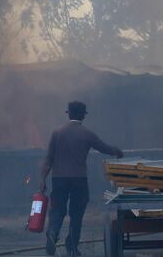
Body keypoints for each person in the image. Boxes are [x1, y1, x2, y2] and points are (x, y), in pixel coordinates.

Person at [39, 101, 123, 256]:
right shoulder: (87, 134)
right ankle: (72, 246)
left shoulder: (57, 133)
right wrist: (117, 151)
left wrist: (43, 180)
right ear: (83, 115)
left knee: (57, 210)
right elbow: (103, 147)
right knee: (76, 214)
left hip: (59, 179)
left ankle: (52, 233)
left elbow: (48, 159)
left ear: (69, 114)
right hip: (79, 179)